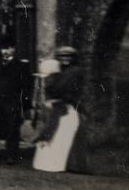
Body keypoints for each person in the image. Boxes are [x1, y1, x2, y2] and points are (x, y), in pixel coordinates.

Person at [33, 45, 89, 173]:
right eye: (62, 57)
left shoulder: (76, 71)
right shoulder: (58, 71)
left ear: (73, 58)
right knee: (54, 133)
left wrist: (62, 99)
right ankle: (49, 163)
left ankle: (66, 164)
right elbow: (50, 88)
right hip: (58, 106)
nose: (65, 59)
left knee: (63, 135)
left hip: (68, 106)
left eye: (68, 57)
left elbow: (75, 90)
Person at [0, 41, 30, 165]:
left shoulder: (21, 65)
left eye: (9, 48)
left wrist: (24, 104)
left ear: (14, 49)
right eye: (3, 49)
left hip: (12, 100)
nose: (5, 51)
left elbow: (26, 86)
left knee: (12, 127)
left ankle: (11, 156)